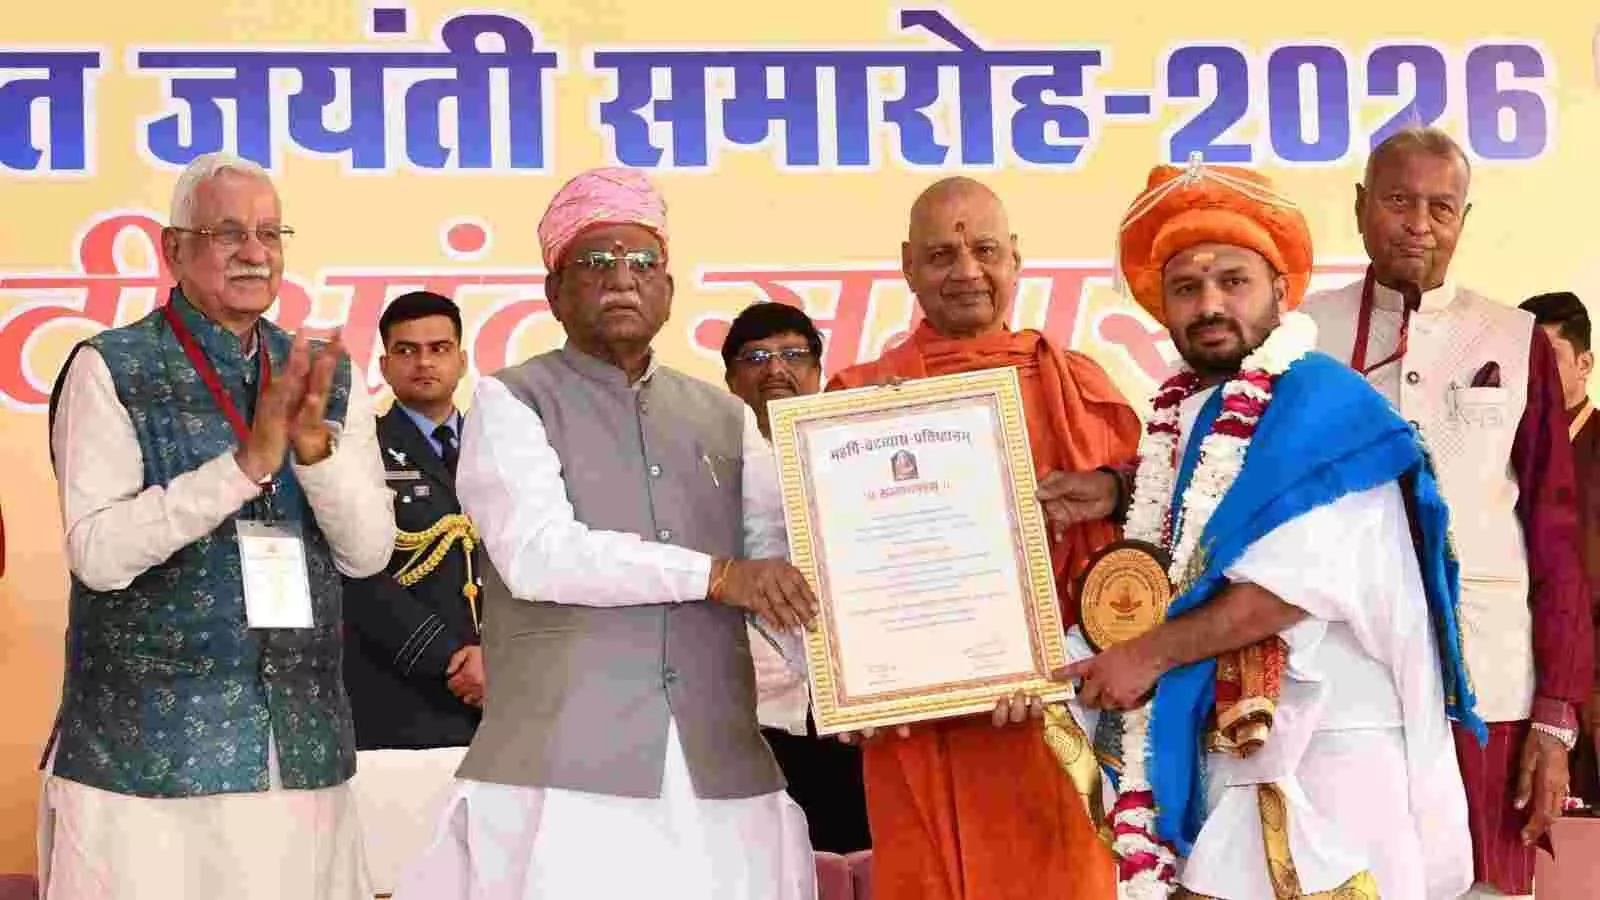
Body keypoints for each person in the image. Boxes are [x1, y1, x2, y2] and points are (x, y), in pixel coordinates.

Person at [1043, 159, 1482, 900]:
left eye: (1233, 281)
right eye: (1187, 288)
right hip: (1237, 750)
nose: (1210, 304)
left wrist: (1142, 656)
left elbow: (1287, 588)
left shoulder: (1324, 406)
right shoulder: (1187, 413)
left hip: (1335, 755)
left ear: (1280, 289)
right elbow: (1194, 555)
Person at [397, 167, 821, 899]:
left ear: (669, 290)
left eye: (642, 262)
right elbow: (541, 555)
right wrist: (718, 577)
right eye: (596, 261)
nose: (622, 278)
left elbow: (778, 573)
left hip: (718, 771)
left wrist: (866, 677)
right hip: (565, 775)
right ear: (554, 291)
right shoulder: (510, 401)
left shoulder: (725, 418)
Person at [39, 151, 395, 899]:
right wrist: (242, 467)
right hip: (146, 768)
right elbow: (96, 554)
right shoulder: (112, 367)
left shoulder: (323, 374)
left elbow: (367, 555)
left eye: (270, 233)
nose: (254, 252)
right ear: (173, 249)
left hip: (300, 752)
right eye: (228, 233)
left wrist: (312, 453)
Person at [825, 176, 1139, 900]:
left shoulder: (1080, 386)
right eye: (941, 255)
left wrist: (1112, 490)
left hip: (1062, 710)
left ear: (1017, 258)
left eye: (985, 250)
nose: (967, 271)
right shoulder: (856, 399)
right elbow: (841, 568)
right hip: (918, 721)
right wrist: (851, 679)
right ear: (908, 267)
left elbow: (1148, 545)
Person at [1299, 126, 1592, 898]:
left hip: (1488, 679)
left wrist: (1556, 715)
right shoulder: (1300, 335)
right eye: (1398, 201)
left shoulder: (1514, 338)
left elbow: (1557, 536)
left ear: (1464, 218)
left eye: (1441, 207)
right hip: (1340, 681)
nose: (1419, 225)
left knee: (1483, 884)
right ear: (1360, 207)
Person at [342, 290, 483, 894]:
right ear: (384, 364)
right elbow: (354, 573)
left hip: (503, 701)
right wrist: (451, 658)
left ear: (462, 359)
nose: (424, 362)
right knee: (403, 876)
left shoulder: (506, 446)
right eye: (406, 351)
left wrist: (503, 659)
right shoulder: (359, 448)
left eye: (439, 348)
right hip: (401, 700)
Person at [720, 300, 872, 854]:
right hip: (753, 713)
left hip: (855, 704)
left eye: (792, 355)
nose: (775, 370)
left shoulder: (859, 453)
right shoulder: (705, 467)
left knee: (862, 860)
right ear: (730, 380)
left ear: (818, 371)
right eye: (756, 357)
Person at [1518, 291, 1599, 808]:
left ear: (1584, 364)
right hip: (1515, 671)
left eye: (1547, 359)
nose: (1534, 376)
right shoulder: (1508, 449)